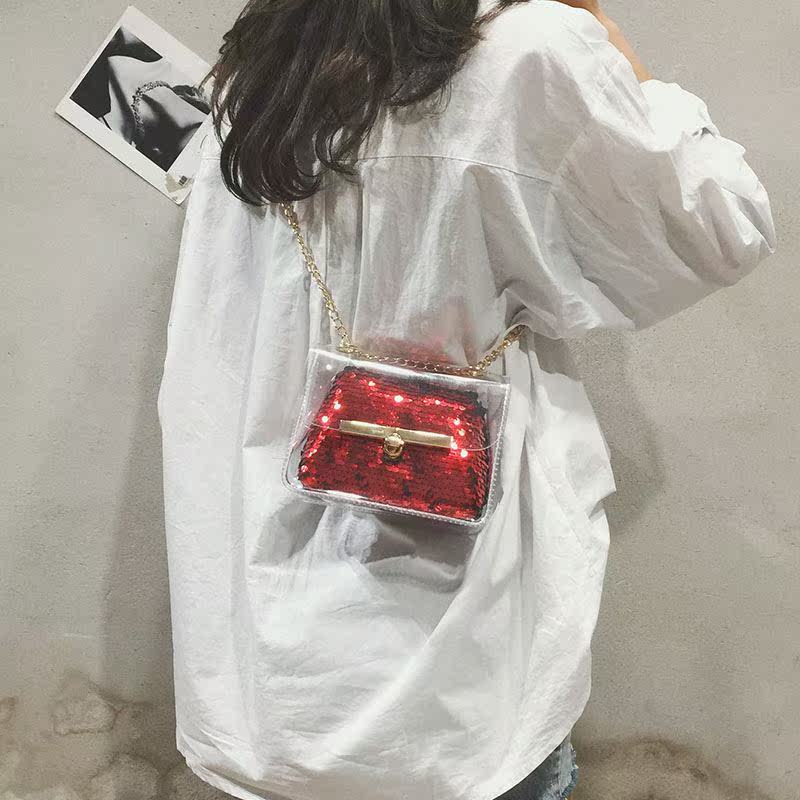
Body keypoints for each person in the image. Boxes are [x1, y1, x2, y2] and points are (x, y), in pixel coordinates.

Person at [156, 2, 776, 799]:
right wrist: (614, 44)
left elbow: (217, 334)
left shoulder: (261, 62)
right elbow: (724, 223)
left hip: (268, 658)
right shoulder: (529, 54)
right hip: (459, 660)